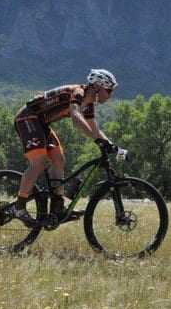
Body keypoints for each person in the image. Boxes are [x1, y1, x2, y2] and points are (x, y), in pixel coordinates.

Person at [8, 68, 118, 225]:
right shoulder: (78, 92)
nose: (110, 95)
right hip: (27, 118)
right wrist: (97, 140)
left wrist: (112, 146)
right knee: (39, 162)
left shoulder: (88, 104)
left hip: (41, 123)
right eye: (108, 90)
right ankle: (18, 207)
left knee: (59, 160)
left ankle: (57, 209)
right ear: (97, 87)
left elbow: (95, 129)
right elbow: (75, 116)